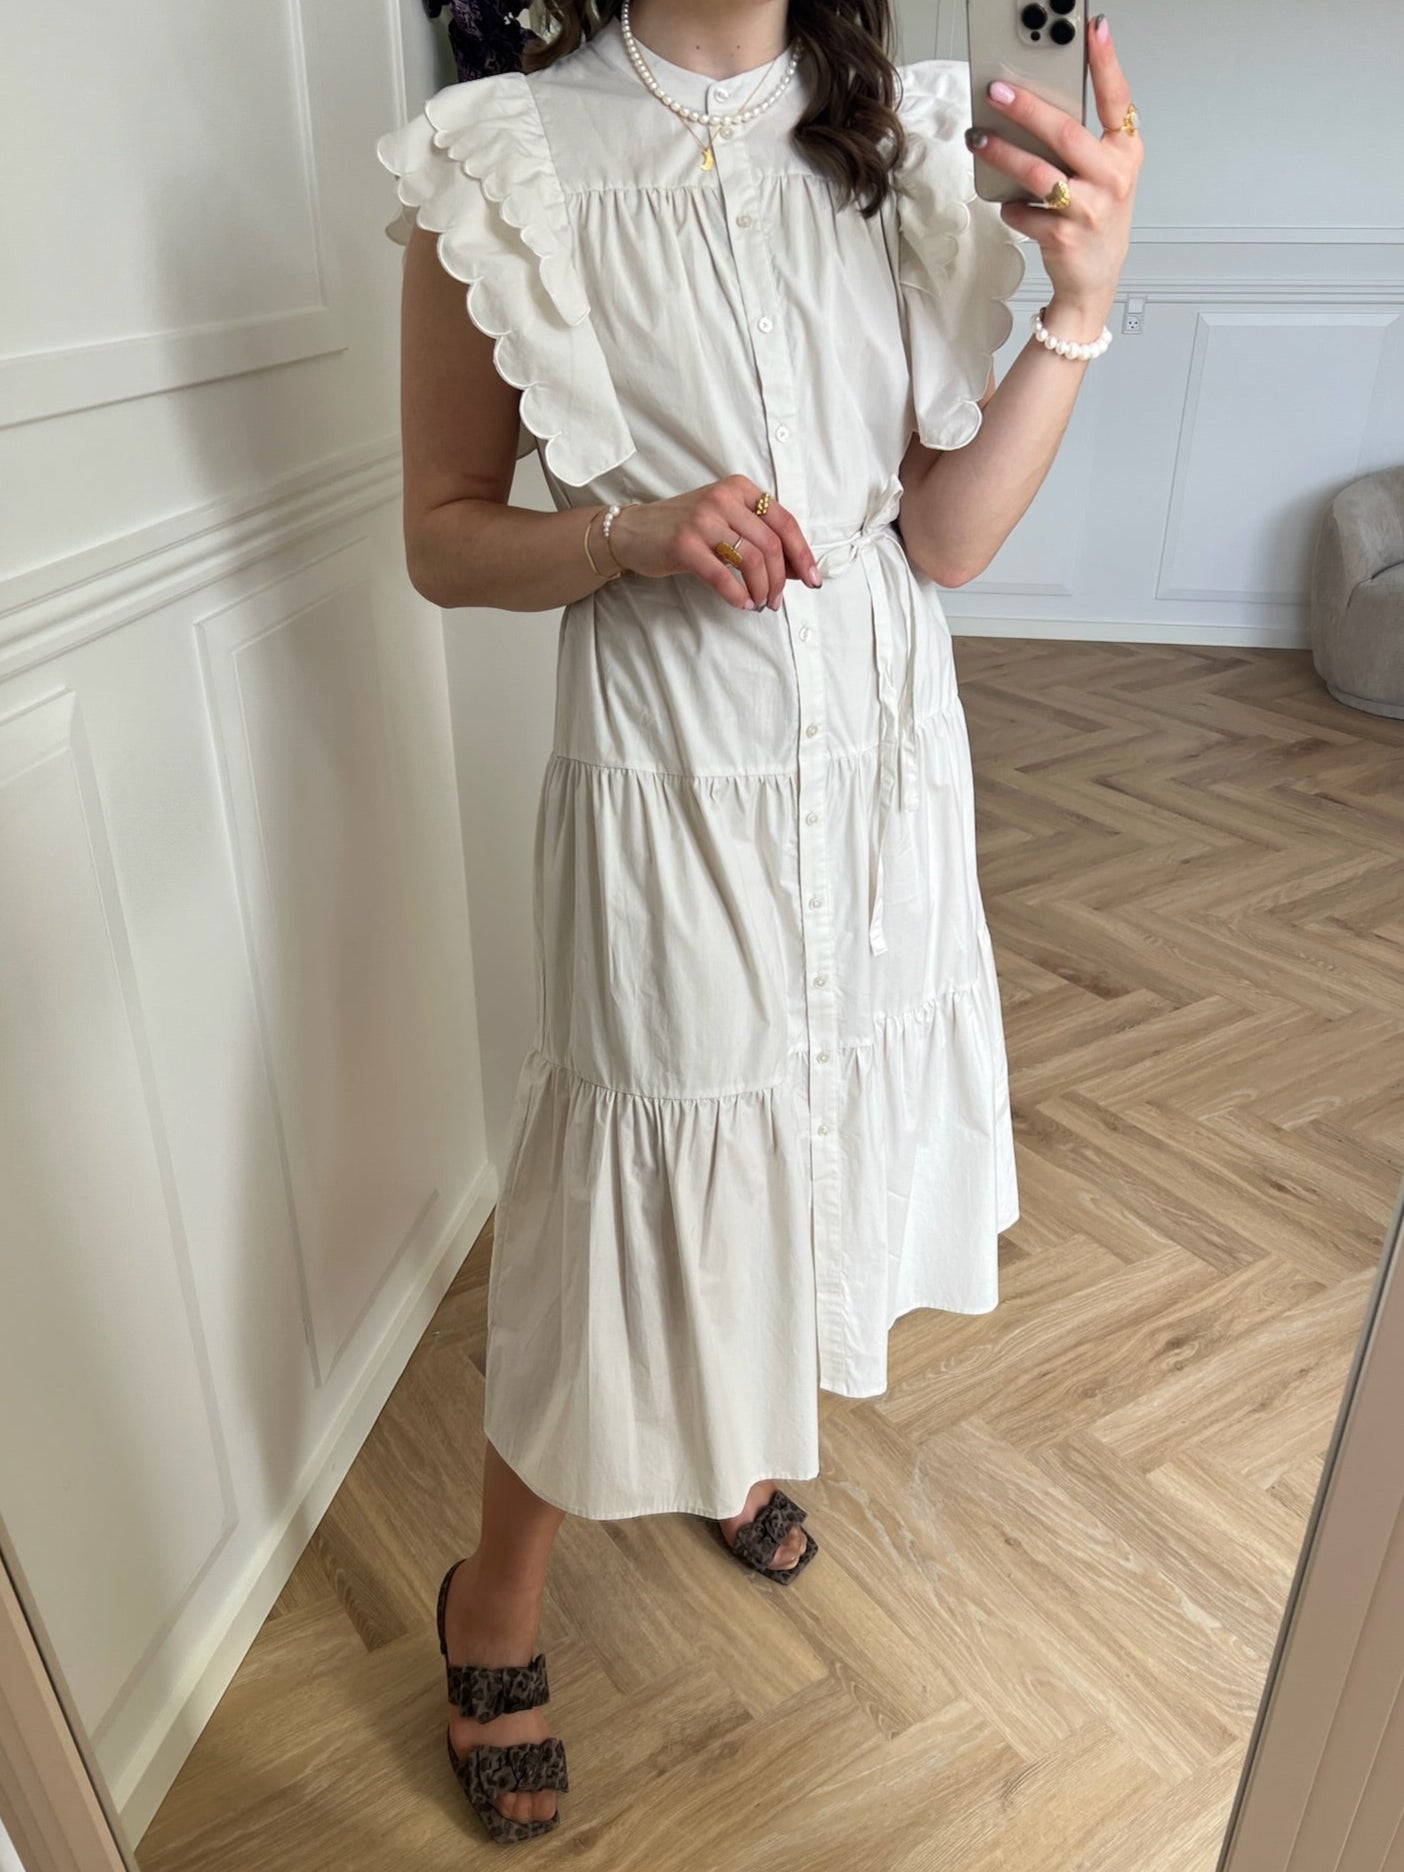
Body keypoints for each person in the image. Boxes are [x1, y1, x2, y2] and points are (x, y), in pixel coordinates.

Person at [378, 0, 1141, 1841]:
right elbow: (442, 534)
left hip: (878, 751)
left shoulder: (904, 142)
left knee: (807, 1129)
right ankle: (494, 1601)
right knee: (629, 1174)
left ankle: (725, 1441)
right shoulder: (508, 158)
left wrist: (1081, 309)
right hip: (670, 762)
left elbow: (944, 541)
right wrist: (631, 534)